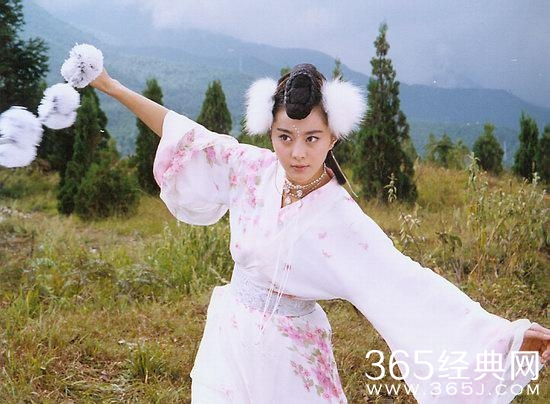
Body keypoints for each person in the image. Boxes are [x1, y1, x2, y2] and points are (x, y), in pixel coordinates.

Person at [90, 63, 549, 404]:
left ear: (333, 138)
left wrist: (507, 338)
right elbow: (183, 132)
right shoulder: (252, 168)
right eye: (284, 136)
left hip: (292, 353)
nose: (297, 153)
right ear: (269, 132)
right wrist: (110, 85)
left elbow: (405, 283)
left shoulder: (340, 218)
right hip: (231, 333)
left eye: (312, 137)